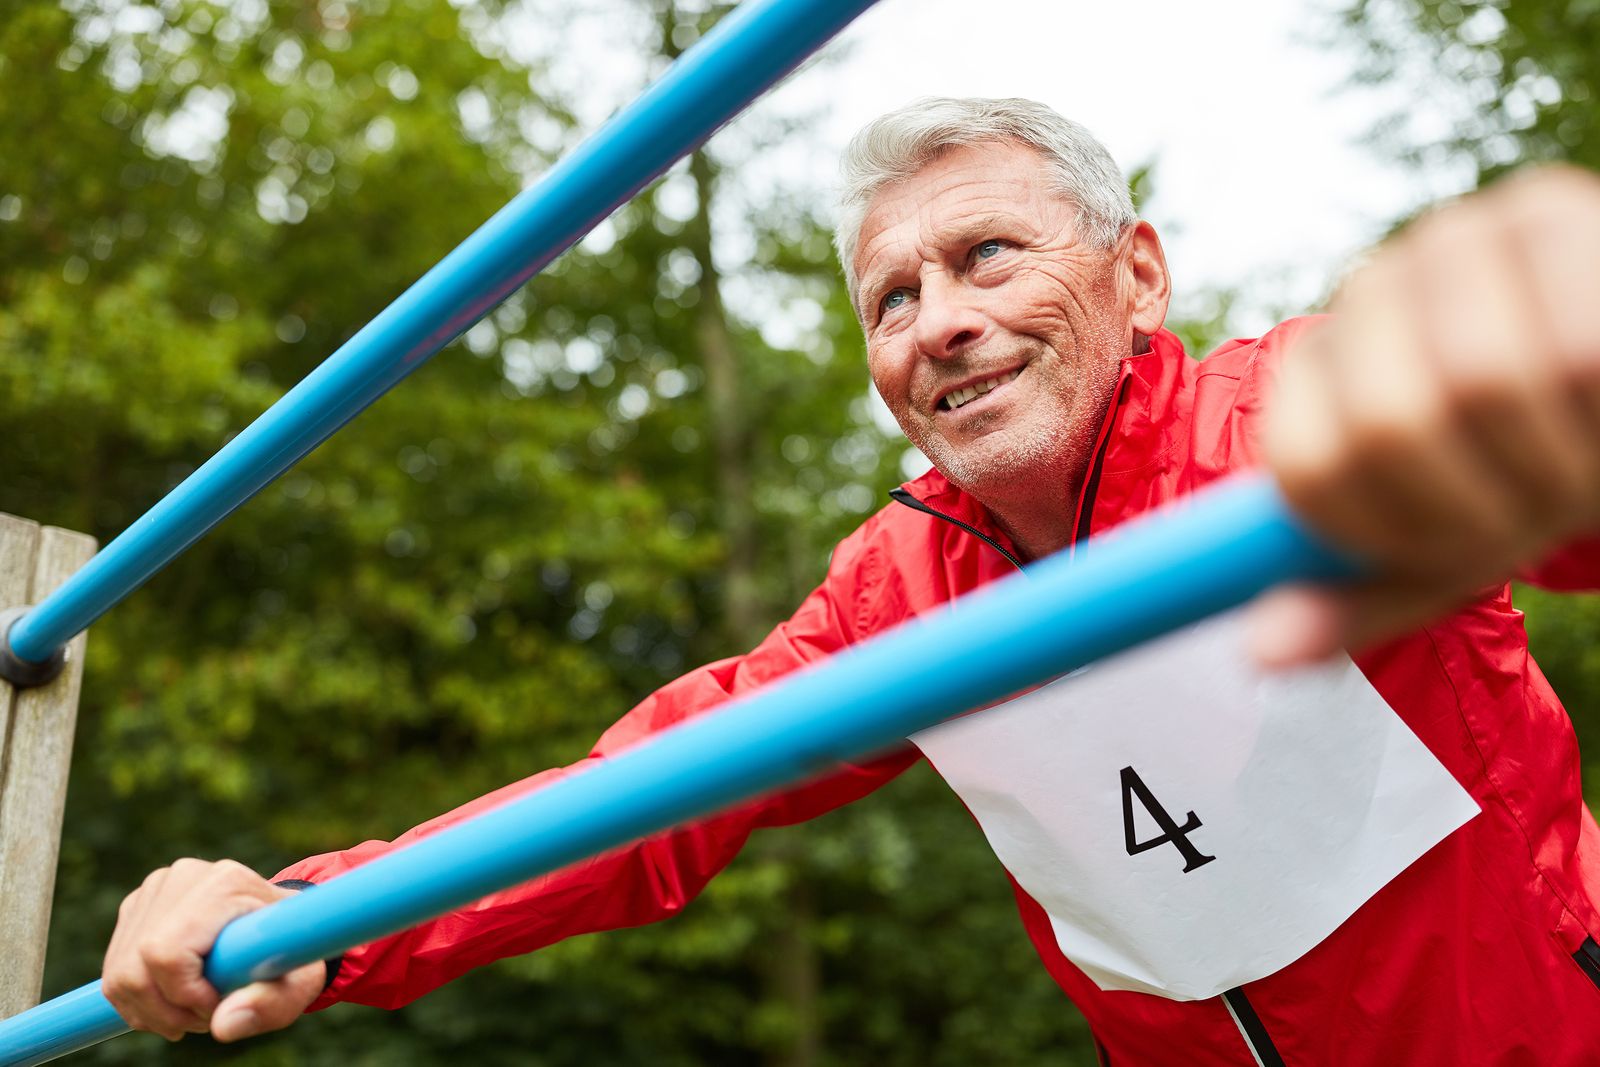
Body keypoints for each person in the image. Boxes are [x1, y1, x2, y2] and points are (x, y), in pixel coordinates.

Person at [101, 98, 1600, 1065]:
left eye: (988, 255)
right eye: (894, 296)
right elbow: (644, 803)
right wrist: (313, 916)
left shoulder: (1299, 413)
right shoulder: (903, 588)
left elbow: (1548, 471)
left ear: (1137, 276)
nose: (939, 323)